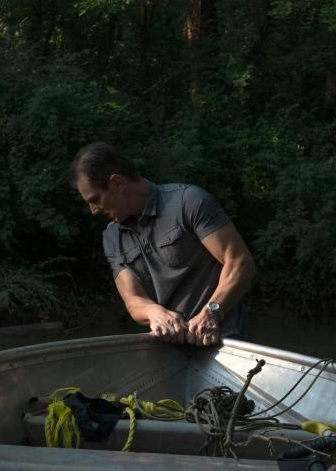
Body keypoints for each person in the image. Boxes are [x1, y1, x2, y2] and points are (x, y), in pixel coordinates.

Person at [69, 142, 256, 346]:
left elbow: (240, 262)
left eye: (95, 199)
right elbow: (133, 300)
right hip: (169, 352)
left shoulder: (189, 201)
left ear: (117, 183)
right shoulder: (111, 237)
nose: (93, 210)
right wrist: (153, 311)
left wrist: (212, 312)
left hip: (227, 344)